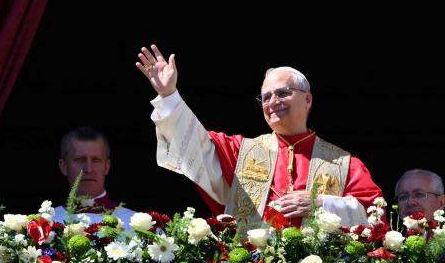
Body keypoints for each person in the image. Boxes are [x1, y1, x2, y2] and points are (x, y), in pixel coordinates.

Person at [136, 44, 382, 227]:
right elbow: (195, 147)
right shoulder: (240, 152)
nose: (273, 102)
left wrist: (321, 203)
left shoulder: (344, 164)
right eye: (265, 97)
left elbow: (376, 217)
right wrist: (169, 95)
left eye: (282, 93)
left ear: (307, 99)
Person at [53, 126, 136, 230]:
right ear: (64, 167)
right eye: (79, 159)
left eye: (96, 160)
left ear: (107, 167)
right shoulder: (44, 225)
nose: (88, 169)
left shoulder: (135, 224)